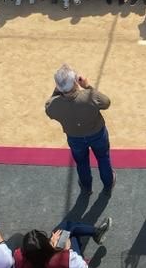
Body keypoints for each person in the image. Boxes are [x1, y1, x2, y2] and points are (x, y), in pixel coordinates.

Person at [44, 64, 114, 192]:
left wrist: (58, 90)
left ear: (58, 87)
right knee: (103, 158)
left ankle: (86, 186)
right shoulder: (90, 96)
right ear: (76, 82)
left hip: (75, 138)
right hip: (97, 134)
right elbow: (106, 102)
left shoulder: (54, 105)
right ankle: (108, 183)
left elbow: (49, 109)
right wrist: (87, 87)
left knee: (81, 163)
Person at [13, 218, 111, 268]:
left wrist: (52, 248)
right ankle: (96, 232)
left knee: (66, 230)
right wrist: (67, 251)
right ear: (46, 247)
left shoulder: (18, 259)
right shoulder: (65, 259)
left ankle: (96, 232)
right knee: (69, 233)